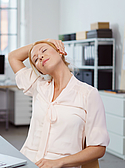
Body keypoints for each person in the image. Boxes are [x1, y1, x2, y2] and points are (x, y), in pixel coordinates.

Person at [8, 39, 110, 168]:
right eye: (35, 60)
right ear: (41, 71)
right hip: (27, 162)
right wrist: (45, 41)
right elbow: (13, 57)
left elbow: (98, 148)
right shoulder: (38, 86)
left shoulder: (88, 94)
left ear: (60, 52)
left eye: (44, 50)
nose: (40, 56)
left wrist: (59, 162)